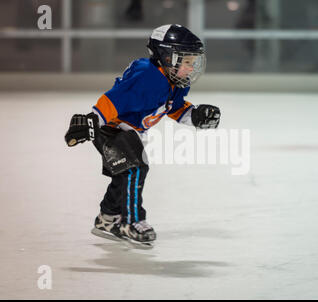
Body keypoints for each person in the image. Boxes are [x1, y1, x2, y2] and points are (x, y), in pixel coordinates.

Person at [64, 24, 221, 246]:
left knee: (124, 174)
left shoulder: (174, 81)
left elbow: (172, 108)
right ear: (166, 57)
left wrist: (195, 115)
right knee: (135, 168)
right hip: (110, 129)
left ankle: (107, 220)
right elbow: (114, 100)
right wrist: (92, 120)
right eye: (186, 61)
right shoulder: (147, 75)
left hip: (130, 133)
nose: (191, 68)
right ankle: (131, 222)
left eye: (193, 62)